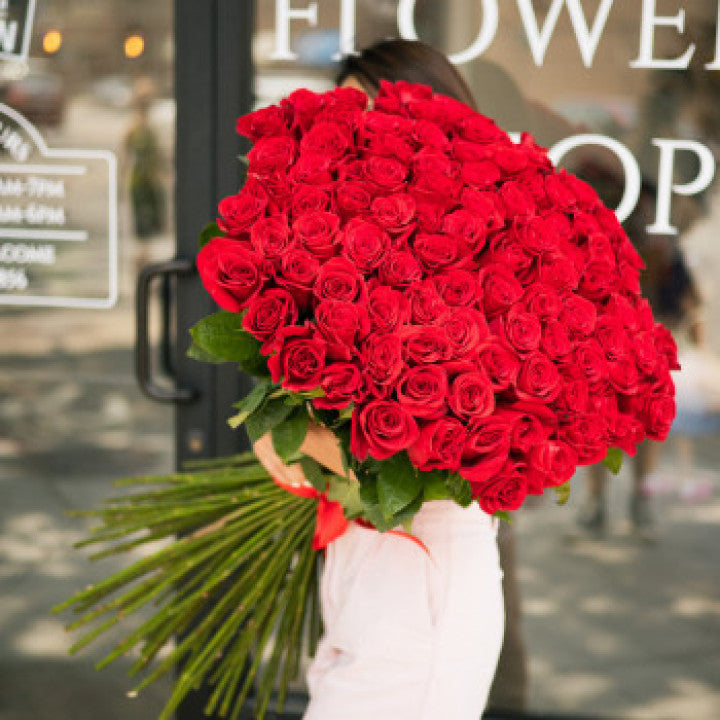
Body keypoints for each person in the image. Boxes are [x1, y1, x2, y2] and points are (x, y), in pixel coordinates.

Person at [253, 40, 505, 720]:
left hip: (420, 570)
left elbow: (440, 455)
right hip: (368, 557)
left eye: (380, 111)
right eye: (349, 116)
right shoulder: (358, 239)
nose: (362, 134)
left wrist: (302, 441)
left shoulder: (482, 256)